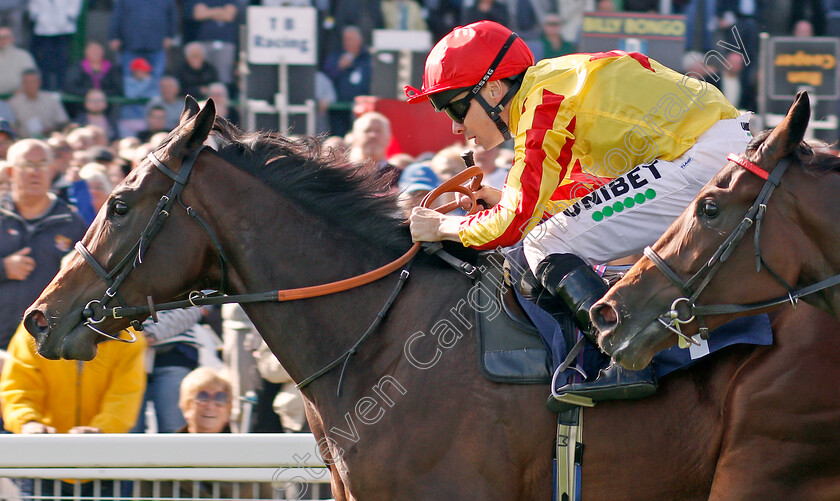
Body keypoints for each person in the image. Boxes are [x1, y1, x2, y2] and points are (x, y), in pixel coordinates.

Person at [405, 21, 751, 404]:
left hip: (700, 157)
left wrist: (443, 225)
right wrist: (504, 198)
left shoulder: (542, 103)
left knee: (543, 243)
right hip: (709, 146)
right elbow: (581, 197)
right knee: (551, 234)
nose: (455, 126)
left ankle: (626, 354)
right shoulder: (554, 84)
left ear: (493, 88)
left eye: (454, 105)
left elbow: (511, 229)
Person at [0, 322, 146, 499]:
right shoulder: (32, 330)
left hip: (104, 462)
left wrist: (103, 429)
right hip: (42, 460)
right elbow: (18, 386)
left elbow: (125, 395)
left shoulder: (128, 338)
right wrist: (28, 423)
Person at [0, 139, 87, 350]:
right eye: (28, 165)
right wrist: (3, 268)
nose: (35, 172)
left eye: (42, 165)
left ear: (52, 170)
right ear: (10, 172)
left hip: (45, 346)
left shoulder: (73, 224)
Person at [108, 0, 178, 86]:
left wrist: (170, 36)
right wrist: (114, 36)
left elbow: (173, 16)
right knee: (129, 79)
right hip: (131, 45)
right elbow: (117, 16)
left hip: (157, 46)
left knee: (156, 80)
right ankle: (132, 99)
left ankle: (154, 99)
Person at [323, 26, 372, 136]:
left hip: (362, 108)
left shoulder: (368, 58)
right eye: (346, 39)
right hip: (338, 109)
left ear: (360, 40)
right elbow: (325, 78)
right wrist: (339, 67)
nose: (348, 42)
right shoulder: (335, 57)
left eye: (351, 39)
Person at [27, 0, 83, 91]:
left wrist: (69, 16)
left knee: (62, 59)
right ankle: (45, 87)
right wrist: (37, 16)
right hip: (44, 28)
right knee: (45, 59)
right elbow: (33, 5)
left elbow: (75, 4)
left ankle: (61, 87)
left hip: (63, 28)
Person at [183, 0, 240, 87]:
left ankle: (221, 97)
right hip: (204, 41)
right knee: (204, 72)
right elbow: (198, 15)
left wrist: (208, 12)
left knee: (223, 74)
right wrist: (220, 11)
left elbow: (229, 16)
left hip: (225, 42)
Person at [9, 69, 70, 138]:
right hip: (25, 141)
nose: (29, 85)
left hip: (51, 139)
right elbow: (11, 126)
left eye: (32, 82)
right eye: (26, 82)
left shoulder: (51, 99)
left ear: (39, 83)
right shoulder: (14, 102)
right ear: (22, 84)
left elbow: (63, 122)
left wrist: (51, 130)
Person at [348, 111, 400, 189]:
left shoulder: (399, 176)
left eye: (378, 131)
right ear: (354, 137)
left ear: (389, 138)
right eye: (367, 130)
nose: (373, 135)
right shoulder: (345, 173)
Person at [0, 25, 35, 96]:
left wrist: (23, 90)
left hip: (19, 96)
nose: (2, 40)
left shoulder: (23, 55)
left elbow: (32, 77)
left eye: (5, 37)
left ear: (12, 39)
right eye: (0, 38)